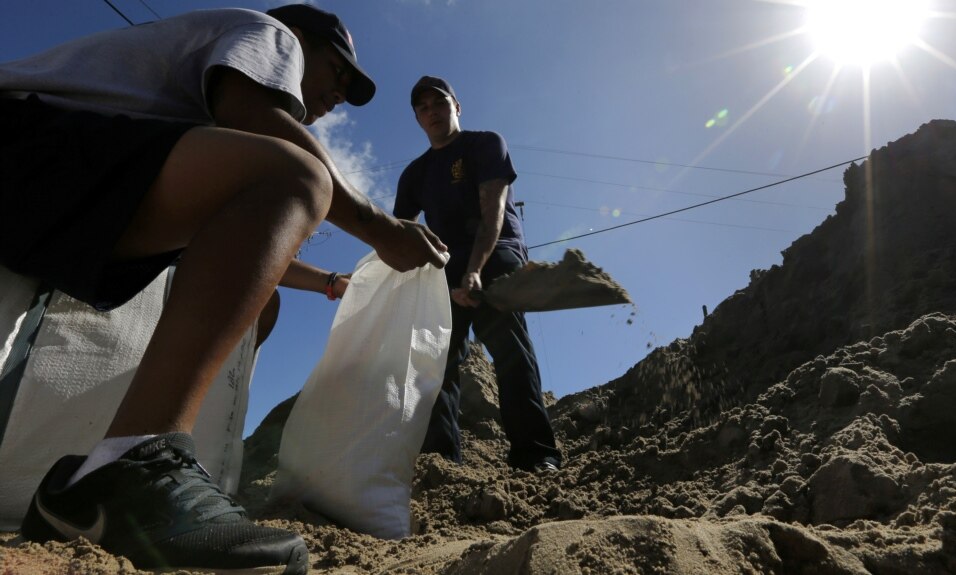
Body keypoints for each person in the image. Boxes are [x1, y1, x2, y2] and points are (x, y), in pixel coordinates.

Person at [0, 4, 446, 574]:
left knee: (267, 276)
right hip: (23, 142)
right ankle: (134, 458)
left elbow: (246, 256)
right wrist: (380, 227)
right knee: (297, 174)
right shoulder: (268, 33)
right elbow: (256, 119)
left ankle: (76, 500)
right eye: (338, 74)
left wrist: (336, 281)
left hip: (41, 180)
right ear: (301, 40)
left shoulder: (178, 141)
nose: (338, 96)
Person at [394, 76, 562, 473]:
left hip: (496, 251)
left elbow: (493, 214)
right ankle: (441, 464)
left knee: (509, 349)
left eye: (440, 103)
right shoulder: (415, 174)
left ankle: (536, 454)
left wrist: (474, 272)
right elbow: (400, 231)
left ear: (457, 106)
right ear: (418, 118)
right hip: (444, 265)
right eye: (423, 108)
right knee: (434, 361)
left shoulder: (485, 144)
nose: (432, 112)